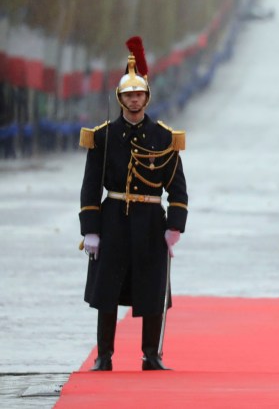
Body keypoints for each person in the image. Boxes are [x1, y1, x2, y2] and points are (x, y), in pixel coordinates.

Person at [78, 36, 188, 371]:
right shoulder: (103, 136)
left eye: (139, 94)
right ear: (120, 98)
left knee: (152, 290)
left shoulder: (164, 138)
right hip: (113, 219)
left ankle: (151, 355)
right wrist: (91, 231)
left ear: (147, 97)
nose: (134, 99)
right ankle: (104, 356)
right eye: (128, 95)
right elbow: (89, 188)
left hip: (150, 221)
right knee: (107, 290)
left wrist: (174, 228)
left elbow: (178, 190)